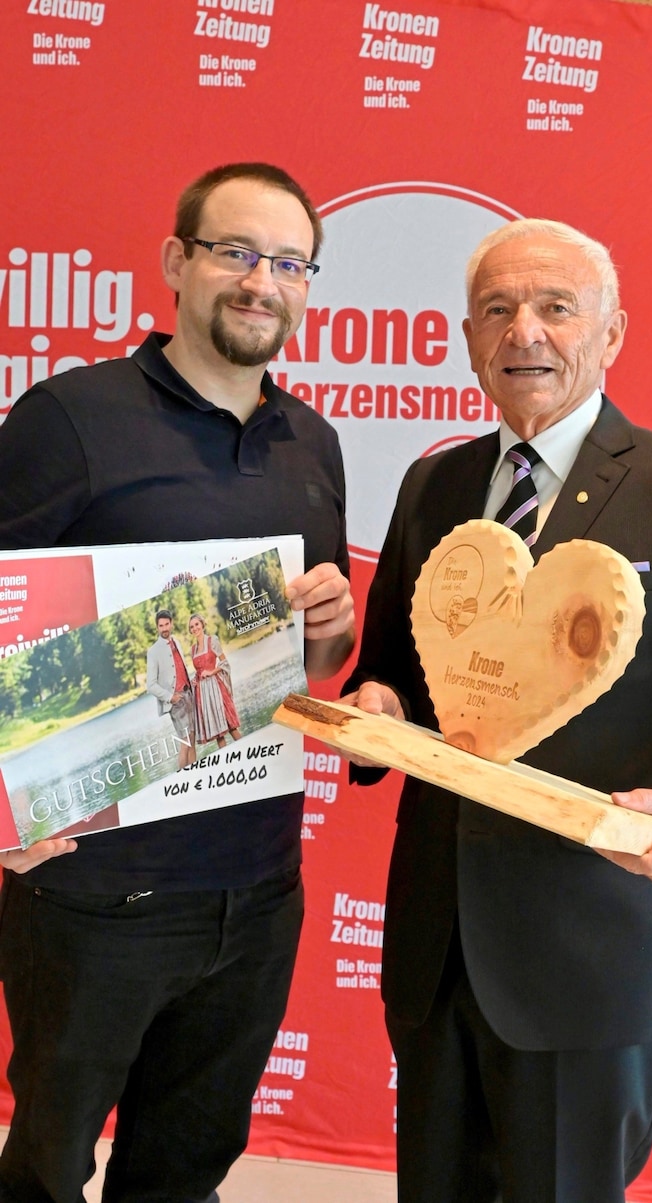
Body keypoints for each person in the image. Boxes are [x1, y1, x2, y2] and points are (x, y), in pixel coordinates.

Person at [342, 218, 652, 1203]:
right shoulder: (433, 485)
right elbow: (388, 677)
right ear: (467, 339)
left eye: (555, 307)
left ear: (610, 334)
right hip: (435, 958)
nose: (525, 334)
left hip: (588, 961)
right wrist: (371, 705)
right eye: (497, 310)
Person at [0, 162, 355, 1203]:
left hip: (256, 889)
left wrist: (329, 637)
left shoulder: (315, 445)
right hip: (93, 890)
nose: (261, 282)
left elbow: (311, 664)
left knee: (186, 1168)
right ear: (176, 263)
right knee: (50, 1166)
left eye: (288, 263)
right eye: (234, 252)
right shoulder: (68, 419)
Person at [146, 607, 198, 767]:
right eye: (161, 626)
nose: (164, 628)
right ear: (157, 627)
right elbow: (150, 685)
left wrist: (191, 682)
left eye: (166, 624)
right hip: (175, 701)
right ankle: (182, 781)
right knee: (185, 742)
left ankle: (196, 775)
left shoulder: (176, 641)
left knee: (192, 739)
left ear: (171, 624)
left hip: (188, 694)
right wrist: (171, 697)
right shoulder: (153, 651)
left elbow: (180, 667)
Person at [188, 612, 242, 750]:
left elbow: (224, 663)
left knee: (230, 726)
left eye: (196, 624)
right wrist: (195, 680)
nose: (194, 628)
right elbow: (199, 670)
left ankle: (247, 751)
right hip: (203, 693)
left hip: (216, 689)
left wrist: (211, 671)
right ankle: (229, 762)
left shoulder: (213, 641)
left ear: (202, 624)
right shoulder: (192, 649)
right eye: (192, 627)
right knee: (219, 734)